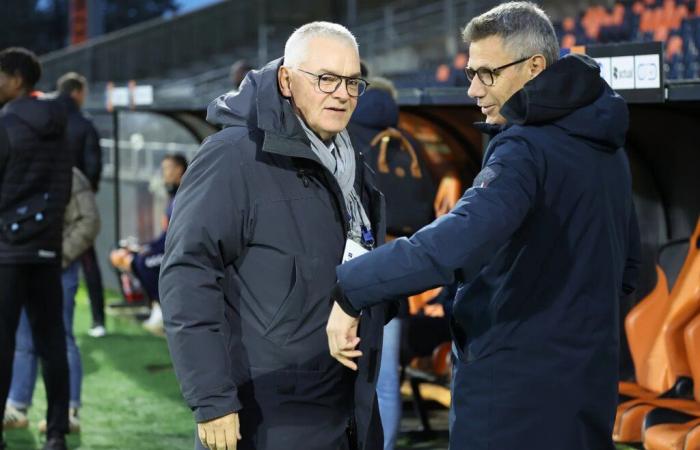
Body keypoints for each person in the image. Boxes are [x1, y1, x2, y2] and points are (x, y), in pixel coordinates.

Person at [326, 3, 641, 450]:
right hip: (587, 380)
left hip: (516, 391)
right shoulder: (608, 146)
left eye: (487, 73)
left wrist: (351, 286)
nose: (473, 88)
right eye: (471, 72)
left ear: (534, 67)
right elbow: (627, 268)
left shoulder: (526, 147)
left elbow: (454, 242)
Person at [160, 21, 391, 450]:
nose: (341, 93)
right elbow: (187, 275)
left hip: (346, 403)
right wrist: (212, 399)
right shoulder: (232, 156)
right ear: (286, 79)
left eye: (352, 81)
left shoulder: (350, 159)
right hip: (264, 410)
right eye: (325, 79)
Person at [0, 47, 73, 450]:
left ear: (15, 79)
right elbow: (65, 183)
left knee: (4, 342)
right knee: (52, 343)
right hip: (47, 247)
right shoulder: (59, 123)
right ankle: (57, 432)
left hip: (8, 250)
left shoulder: (6, 123)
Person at [4, 167, 99, 435]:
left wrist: (60, 256)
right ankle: (17, 406)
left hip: (58, 267)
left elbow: (89, 220)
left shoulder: (70, 174)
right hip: (21, 263)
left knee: (62, 336)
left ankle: (69, 410)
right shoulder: (16, 168)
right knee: (22, 340)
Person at [110, 153, 187, 332]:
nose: (164, 173)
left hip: (181, 251)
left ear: (180, 170)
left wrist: (147, 251)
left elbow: (175, 237)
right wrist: (145, 247)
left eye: (168, 168)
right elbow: (165, 235)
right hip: (168, 248)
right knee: (134, 256)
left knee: (142, 262)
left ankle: (162, 308)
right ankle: (154, 306)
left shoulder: (185, 195)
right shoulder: (172, 196)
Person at [55, 72, 106, 338]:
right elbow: (94, 163)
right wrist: (87, 192)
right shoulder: (84, 123)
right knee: (88, 261)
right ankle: (98, 320)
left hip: (43, 202)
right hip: (77, 204)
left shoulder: (46, 118)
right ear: (77, 92)